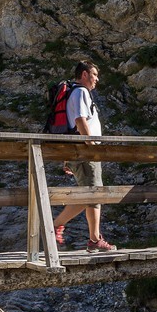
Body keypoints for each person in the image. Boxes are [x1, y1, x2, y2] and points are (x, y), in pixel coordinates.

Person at [52, 61, 115, 251]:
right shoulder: (80, 92)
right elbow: (79, 120)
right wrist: (92, 145)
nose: (97, 79)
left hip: (79, 150)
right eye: (94, 74)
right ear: (85, 74)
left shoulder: (77, 92)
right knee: (94, 193)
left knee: (88, 194)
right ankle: (94, 239)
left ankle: (55, 225)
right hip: (85, 151)